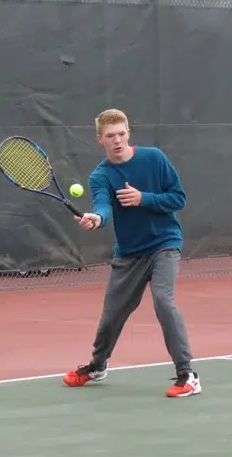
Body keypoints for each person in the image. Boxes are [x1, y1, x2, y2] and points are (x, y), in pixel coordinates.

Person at [62, 108, 201, 398]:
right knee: (111, 317)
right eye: (110, 136)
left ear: (129, 133)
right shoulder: (100, 175)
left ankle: (187, 374)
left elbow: (179, 198)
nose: (117, 140)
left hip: (164, 243)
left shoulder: (154, 159)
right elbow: (102, 205)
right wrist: (96, 218)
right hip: (129, 254)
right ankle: (98, 366)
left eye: (122, 134)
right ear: (100, 139)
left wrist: (143, 198)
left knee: (164, 301)